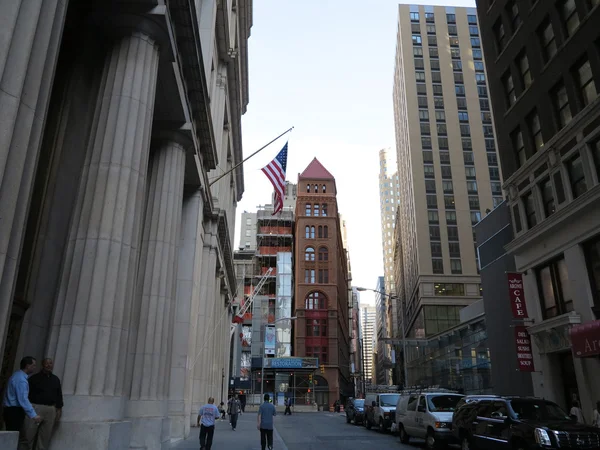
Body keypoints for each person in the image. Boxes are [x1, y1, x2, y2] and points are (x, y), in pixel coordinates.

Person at [24, 358, 63, 450]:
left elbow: (59, 395)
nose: (49, 365)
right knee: (28, 435)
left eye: (50, 363)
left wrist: (59, 409)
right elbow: (26, 395)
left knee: (45, 437)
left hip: (50, 409)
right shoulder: (34, 378)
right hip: (35, 408)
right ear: (42, 365)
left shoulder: (55, 379)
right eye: (46, 363)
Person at [2, 357, 41, 439]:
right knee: (13, 438)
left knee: (13, 436)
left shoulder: (17, 375)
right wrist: (33, 415)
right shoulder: (21, 380)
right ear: (27, 366)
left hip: (11, 410)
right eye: (33, 365)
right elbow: (23, 399)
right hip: (14, 411)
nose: (35, 367)